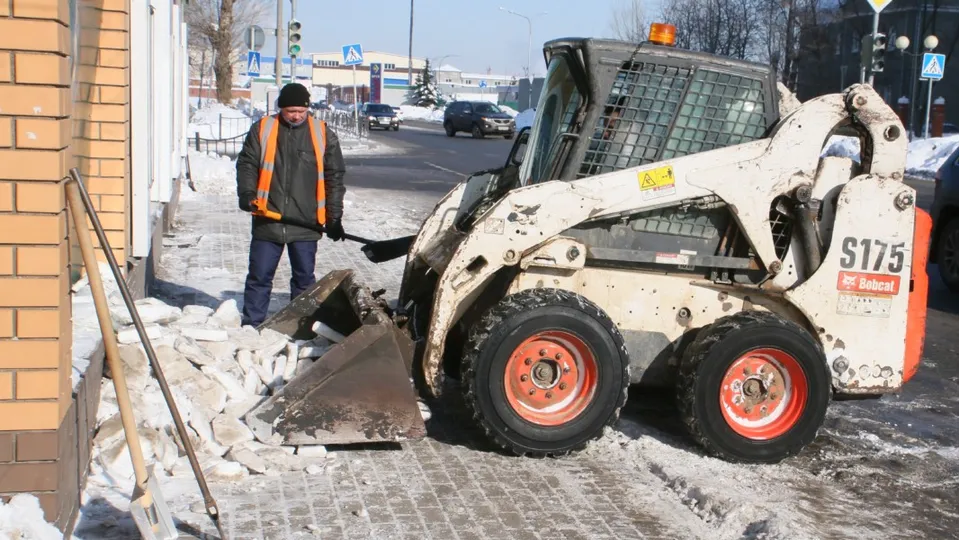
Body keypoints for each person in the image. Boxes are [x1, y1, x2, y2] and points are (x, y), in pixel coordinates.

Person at [235, 82, 347, 327]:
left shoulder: (322, 133)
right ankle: (252, 324)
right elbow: (247, 164)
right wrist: (246, 194)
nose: (296, 116)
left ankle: (300, 326)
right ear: (281, 109)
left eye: (301, 111)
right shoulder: (263, 129)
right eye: (290, 111)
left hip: (306, 221)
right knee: (259, 275)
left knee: (304, 280)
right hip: (269, 217)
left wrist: (334, 217)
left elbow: (334, 177)